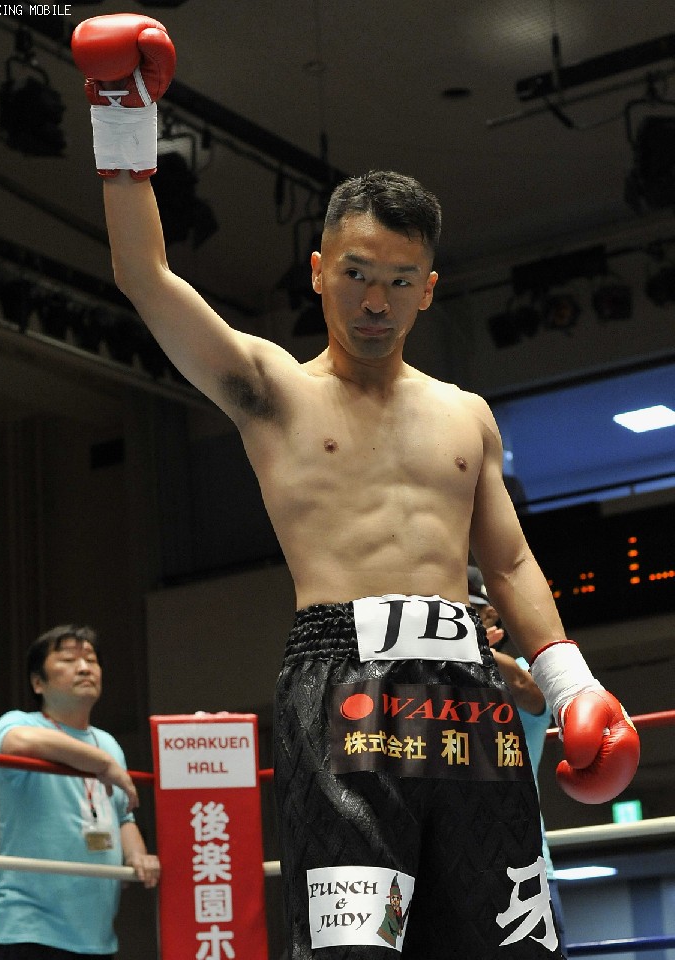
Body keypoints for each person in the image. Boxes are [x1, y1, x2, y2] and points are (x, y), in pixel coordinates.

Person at [70, 16, 640, 958]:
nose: (376, 301)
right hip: (344, 689)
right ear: (319, 272)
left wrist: (569, 680)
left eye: (400, 280)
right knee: (355, 949)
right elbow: (144, 275)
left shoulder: (466, 414)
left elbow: (509, 563)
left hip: (469, 693)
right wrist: (122, 116)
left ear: (429, 288)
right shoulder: (273, 391)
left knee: (510, 945)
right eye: (357, 274)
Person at [0, 624, 160, 960]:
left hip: (97, 935)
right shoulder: (19, 723)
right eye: (68, 660)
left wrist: (137, 855)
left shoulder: (107, 743)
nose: (84, 668)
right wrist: (101, 763)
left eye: (91, 660)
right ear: (38, 683)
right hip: (28, 928)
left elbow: (122, 817)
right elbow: (16, 743)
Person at [468, 566, 569, 955]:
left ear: (490, 614)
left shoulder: (520, 672)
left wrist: (473, 651)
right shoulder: (429, 677)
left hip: (521, 862)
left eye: (466, 611)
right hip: (449, 859)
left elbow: (527, 690)